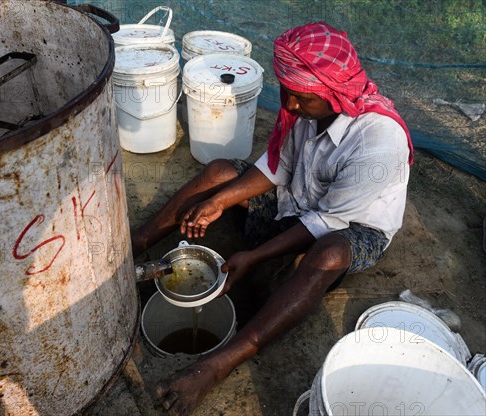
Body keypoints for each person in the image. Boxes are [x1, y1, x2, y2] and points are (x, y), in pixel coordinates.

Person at [131, 22, 413, 416]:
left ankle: (217, 365)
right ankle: (131, 248)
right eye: (288, 93)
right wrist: (220, 201)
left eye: (301, 98)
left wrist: (256, 256)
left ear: (332, 91)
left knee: (328, 255)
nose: (291, 106)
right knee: (219, 173)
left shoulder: (378, 143)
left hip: (351, 227)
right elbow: (278, 166)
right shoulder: (306, 106)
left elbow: (327, 221)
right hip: (297, 199)